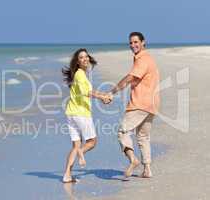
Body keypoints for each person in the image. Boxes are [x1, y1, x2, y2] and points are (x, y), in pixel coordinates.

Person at [106, 32, 160, 178]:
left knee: (122, 132)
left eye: (136, 42)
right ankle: (147, 169)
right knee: (143, 136)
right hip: (152, 104)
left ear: (143, 42)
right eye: (130, 43)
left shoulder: (143, 59)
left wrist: (112, 92)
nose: (133, 45)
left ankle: (133, 160)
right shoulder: (148, 58)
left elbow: (130, 78)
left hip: (140, 104)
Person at [61, 48, 110, 183]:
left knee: (75, 146)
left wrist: (102, 96)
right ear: (77, 62)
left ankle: (67, 175)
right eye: (81, 57)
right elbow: (87, 92)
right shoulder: (80, 74)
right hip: (81, 114)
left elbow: (86, 91)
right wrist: (102, 97)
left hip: (71, 114)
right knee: (92, 142)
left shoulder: (78, 74)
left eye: (86, 57)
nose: (85, 59)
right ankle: (81, 153)